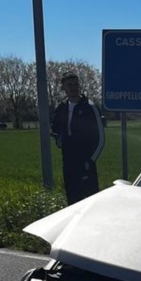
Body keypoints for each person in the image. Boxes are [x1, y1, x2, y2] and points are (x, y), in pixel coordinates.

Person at [50, 71, 105, 204]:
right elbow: (55, 129)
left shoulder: (90, 107)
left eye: (76, 84)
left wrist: (90, 161)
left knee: (90, 203)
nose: (73, 88)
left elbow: (100, 138)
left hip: (86, 164)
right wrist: (58, 140)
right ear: (63, 88)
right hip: (68, 163)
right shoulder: (61, 108)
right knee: (72, 202)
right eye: (70, 85)